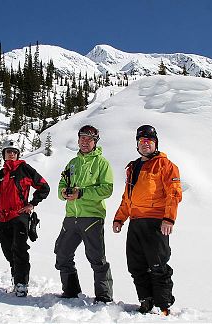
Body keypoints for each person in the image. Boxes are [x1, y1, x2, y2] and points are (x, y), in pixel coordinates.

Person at [113, 125, 182, 316]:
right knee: (136, 265)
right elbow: (128, 197)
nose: (145, 145)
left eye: (148, 141)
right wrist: (119, 218)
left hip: (156, 222)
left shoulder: (165, 165)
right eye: (141, 141)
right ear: (137, 144)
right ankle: (146, 300)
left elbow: (174, 193)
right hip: (135, 222)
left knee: (158, 265)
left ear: (155, 144)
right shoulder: (133, 167)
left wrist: (169, 218)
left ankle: (164, 305)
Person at [55, 125, 114, 304]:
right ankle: (71, 291)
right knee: (62, 254)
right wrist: (64, 192)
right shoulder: (72, 163)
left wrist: (82, 193)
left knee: (96, 258)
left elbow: (107, 189)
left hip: (92, 217)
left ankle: (104, 296)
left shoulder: (102, 163)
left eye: (89, 139)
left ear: (95, 142)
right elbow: (60, 187)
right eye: (82, 138)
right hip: (71, 217)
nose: (85, 142)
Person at [0, 139, 50, 297]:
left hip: (19, 217)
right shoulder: (0, 175)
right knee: (8, 251)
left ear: (17, 155)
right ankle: (16, 278)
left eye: (14, 152)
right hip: (3, 220)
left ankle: (21, 283)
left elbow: (44, 187)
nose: (11, 154)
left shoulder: (24, 169)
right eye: (8, 152)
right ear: (3, 155)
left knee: (20, 249)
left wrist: (32, 204)